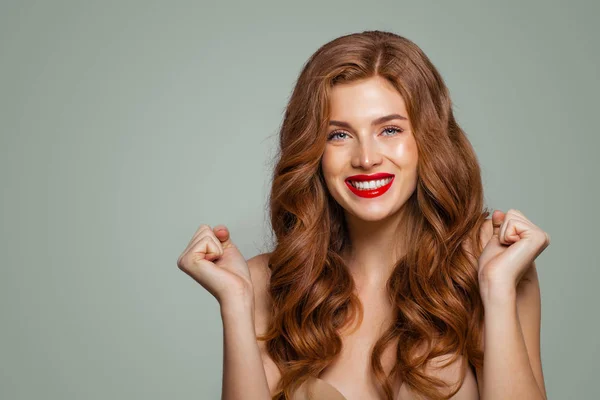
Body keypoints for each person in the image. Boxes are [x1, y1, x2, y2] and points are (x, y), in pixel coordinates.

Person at [177, 30, 550, 400]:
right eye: (338, 135)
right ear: (313, 151)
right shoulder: (267, 284)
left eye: (389, 130)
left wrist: (497, 290)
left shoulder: (493, 265)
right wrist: (235, 300)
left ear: (428, 139)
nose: (366, 159)